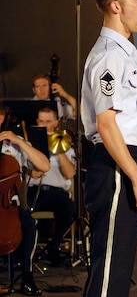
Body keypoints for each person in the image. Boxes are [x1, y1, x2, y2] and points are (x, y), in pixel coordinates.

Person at [80, 0, 137, 297]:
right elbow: (106, 125)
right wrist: (136, 178)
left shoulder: (124, 53)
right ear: (116, 5)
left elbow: (127, 124)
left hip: (126, 161)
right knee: (110, 270)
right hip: (113, 168)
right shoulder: (110, 56)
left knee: (119, 269)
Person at [0, 107, 50, 296]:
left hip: (9, 205)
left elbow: (44, 165)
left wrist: (19, 141)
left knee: (28, 223)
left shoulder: (16, 145)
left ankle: (27, 278)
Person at [26, 107, 76, 266]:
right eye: (41, 121)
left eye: (48, 122)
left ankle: (54, 246)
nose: (44, 125)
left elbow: (69, 174)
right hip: (34, 191)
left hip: (56, 192)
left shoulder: (65, 143)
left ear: (55, 123)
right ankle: (24, 254)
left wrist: (58, 149)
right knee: (20, 211)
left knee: (69, 208)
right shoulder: (28, 144)